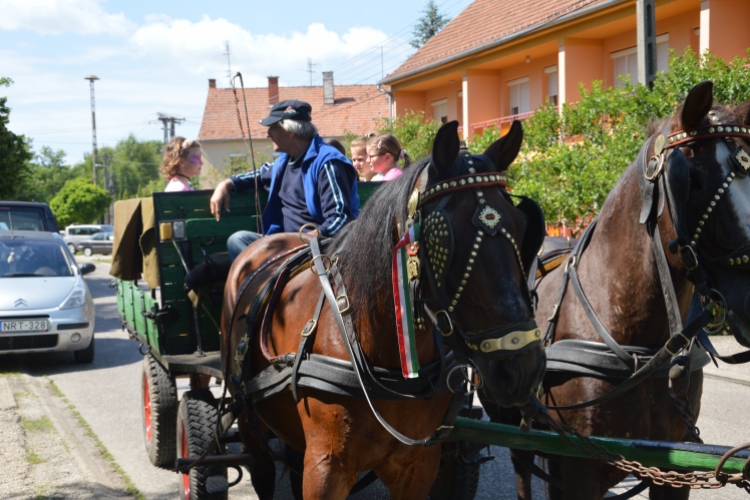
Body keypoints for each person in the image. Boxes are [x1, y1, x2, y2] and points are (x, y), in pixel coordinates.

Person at [210, 99, 360, 261]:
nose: (268, 134)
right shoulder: (284, 162)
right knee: (238, 240)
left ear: (291, 132)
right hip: (283, 243)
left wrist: (303, 240)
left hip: (317, 245)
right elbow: (258, 175)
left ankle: (269, 282)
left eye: (273, 128)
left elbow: (340, 219)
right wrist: (226, 184)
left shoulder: (328, 162)